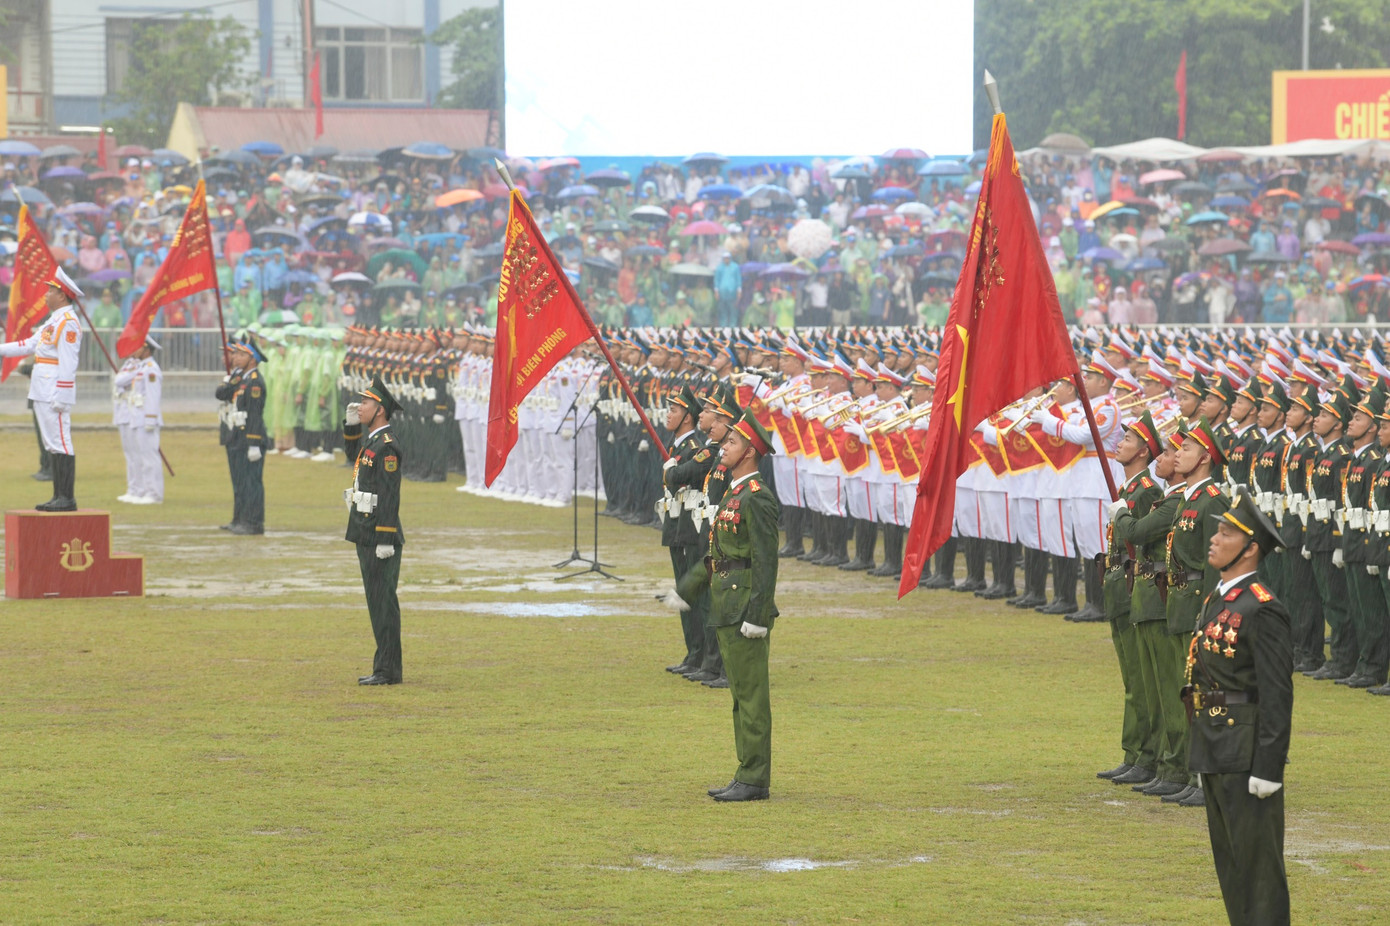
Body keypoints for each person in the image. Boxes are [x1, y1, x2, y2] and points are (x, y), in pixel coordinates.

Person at [1187, 488, 1293, 926]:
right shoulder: (1221, 596)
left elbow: (1276, 694)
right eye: (1217, 529)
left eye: (1227, 533)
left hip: (1244, 751)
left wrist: (1268, 768)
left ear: (1250, 549)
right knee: (1230, 863)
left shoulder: (1262, 609)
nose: (1214, 538)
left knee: (1257, 869)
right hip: (1214, 741)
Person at [705, 411, 781, 803]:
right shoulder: (735, 492)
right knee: (739, 694)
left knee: (752, 696)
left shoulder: (757, 498)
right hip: (727, 602)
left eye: (731, 443)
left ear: (750, 451)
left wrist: (758, 616)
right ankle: (745, 770)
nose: (723, 446)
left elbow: (766, 562)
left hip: (745, 608)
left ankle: (754, 777)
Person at [0, 268, 85, 511]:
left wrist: (63, 393)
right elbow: (29, 344)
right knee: (51, 443)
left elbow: (69, 362)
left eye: (51, 290)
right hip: (42, 386)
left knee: (61, 441)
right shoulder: (53, 321)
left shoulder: (68, 323)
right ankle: (58, 495)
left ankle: (67, 497)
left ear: (62, 295)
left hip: (54, 388)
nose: (46, 294)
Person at [343, 375, 406, 686]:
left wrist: (385, 537)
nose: (361, 406)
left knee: (383, 603)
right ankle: (383, 666)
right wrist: (351, 426)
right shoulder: (371, 441)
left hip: (380, 535)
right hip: (364, 530)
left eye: (365, 403)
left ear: (380, 409)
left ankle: (389, 670)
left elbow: (390, 495)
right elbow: (349, 458)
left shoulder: (388, 446)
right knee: (375, 602)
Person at [224, 339, 268, 535]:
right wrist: (232, 377)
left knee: (252, 483)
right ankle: (240, 518)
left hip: (251, 438)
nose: (235, 357)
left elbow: (255, 414)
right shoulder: (242, 378)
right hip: (238, 436)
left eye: (241, 355)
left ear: (253, 359)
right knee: (241, 482)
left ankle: (254, 523)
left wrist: (253, 443)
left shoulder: (255, 381)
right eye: (236, 354)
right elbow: (221, 394)